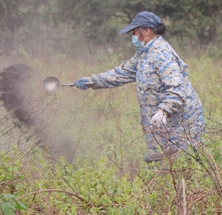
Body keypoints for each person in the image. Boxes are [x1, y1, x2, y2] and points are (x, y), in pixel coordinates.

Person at [75, 11, 205, 162]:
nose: (133, 35)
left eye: (135, 31)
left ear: (147, 31)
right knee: (160, 163)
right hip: (162, 123)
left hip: (181, 123)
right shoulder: (144, 53)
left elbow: (177, 88)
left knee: (182, 165)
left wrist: (164, 110)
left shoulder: (162, 54)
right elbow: (122, 73)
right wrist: (93, 80)